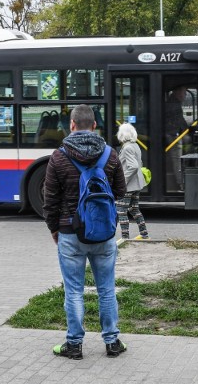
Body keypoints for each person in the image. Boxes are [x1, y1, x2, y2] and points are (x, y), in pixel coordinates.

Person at [43, 104, 127, 360]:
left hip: (70, 233)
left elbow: (50, 200)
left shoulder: (58, 157)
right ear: (94, 126)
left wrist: (55, 229)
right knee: (106, 289)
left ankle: (74, 344)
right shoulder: (111, 155)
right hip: (104, 234)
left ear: (71, 125)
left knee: (74, 291)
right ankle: (112, 342)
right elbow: (121, 192)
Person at [116, 123, 149, 241]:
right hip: (137, 184)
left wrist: (122, 181)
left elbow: (133, 166)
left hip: (129, 185)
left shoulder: (127, 147)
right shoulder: (135, 145)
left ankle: (125, 238)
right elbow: (139, 164)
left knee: (121, 210)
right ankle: (144, 234)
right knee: (134, 208)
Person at [165, 85, 192, 189]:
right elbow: (179, 122)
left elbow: (181, 121)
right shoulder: (173, 105)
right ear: (177, 92)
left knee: (187, 139)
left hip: (172, 132)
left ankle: (186, 163)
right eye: (184, 93)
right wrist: (188, 129)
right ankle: (181, 183)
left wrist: (188, 128)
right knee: (178, 150)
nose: (185, 95)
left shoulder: (174, 102)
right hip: (171, 135)